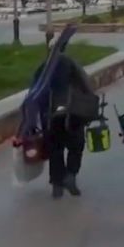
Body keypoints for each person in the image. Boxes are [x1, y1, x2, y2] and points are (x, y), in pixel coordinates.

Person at [30, 48, 97, 199]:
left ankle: (57, 185)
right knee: (76, 145)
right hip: (72, 112)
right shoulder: (72, 65)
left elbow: (34, 91)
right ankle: (71, 175)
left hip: (50, 115)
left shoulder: (43, 68)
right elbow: (86, 85)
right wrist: (91, 104)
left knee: (55, 149)